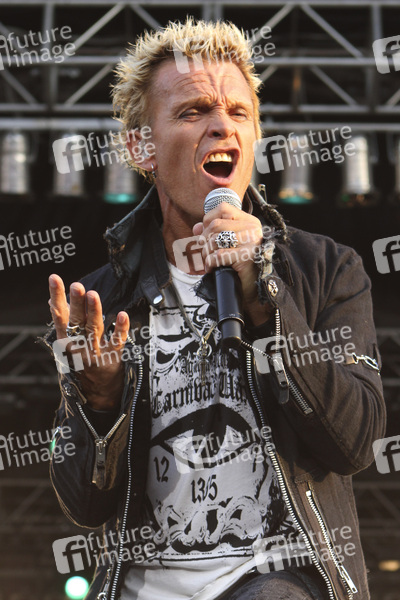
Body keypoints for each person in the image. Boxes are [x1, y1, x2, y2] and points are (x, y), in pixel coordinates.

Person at [44, 19, 386, 600]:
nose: (222, 125)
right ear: (141, 147)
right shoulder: (103, 300)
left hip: (276, 582)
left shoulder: (326, 270)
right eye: (193, 111)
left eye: (238, 112)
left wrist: (265, 297)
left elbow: (354, 442)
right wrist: (98, 401)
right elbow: (84, 504)